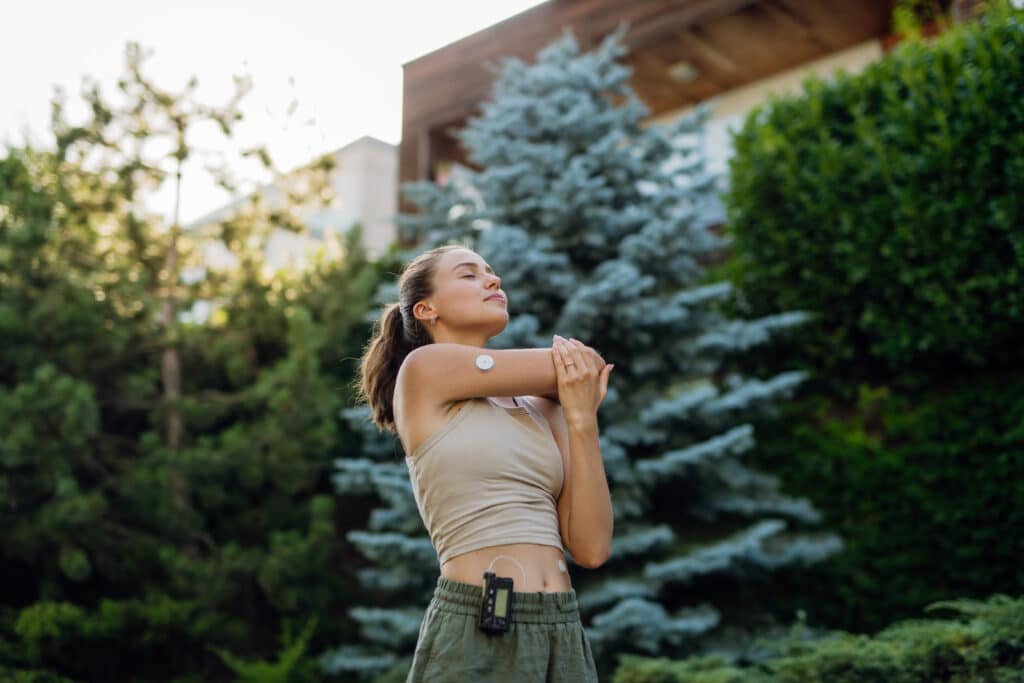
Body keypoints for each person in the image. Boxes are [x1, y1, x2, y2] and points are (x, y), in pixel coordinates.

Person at [356, 244, 614, 681]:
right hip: (481, 623)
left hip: (563, 628)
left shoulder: (543, 407)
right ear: (426, 309)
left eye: (491, 272)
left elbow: (591, 548)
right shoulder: (424, 370)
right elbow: (578, 365)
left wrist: (581, 421)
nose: (493, 281)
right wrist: (576, 383)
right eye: (469, 274)